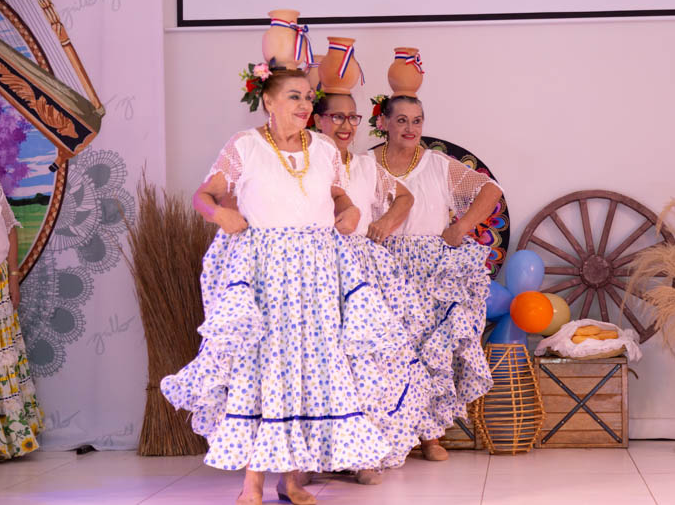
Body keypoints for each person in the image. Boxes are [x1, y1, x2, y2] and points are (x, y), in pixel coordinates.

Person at [161, 68, 391, 505]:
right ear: (268, 101)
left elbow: (339, 196)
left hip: (317, 273)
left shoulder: (323, 148)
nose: (304, 105)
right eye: (294, 96)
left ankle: (291, 480)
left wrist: (350, 211)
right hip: (268, 274)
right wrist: (220, 214)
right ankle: (252, 483)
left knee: (307, 370)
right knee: (265, 369)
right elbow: (202, 196)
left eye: (308, 97)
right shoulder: (245, 146)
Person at [376, 95, 503, 461]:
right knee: (391, 352)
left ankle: (431, 435)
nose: (410, 128)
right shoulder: (368, 165)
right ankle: (391, 435)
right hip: (384, 265)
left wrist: (462, 226)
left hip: (430, 268)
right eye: (402, 120)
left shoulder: (436, 163)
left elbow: (491, 190)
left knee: (432, 350)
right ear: (383, 123)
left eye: (417, 120)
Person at [314, 93, 433, 480]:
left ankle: (365, 454)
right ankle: (320, 456)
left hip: (364, 270)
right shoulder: (309, 162)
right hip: (321, 268)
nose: (346, 125)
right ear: (317, 120)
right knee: (328, 361)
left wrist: (384, 223)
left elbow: (405, 197)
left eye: (353, 117)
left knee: (372, 359)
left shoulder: (365, 165)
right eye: (337, 116)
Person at [0, 179, 43, 460]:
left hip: (0, 281)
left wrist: (13, 277)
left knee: (3, 359)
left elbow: (10, 228)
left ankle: (10, 440)